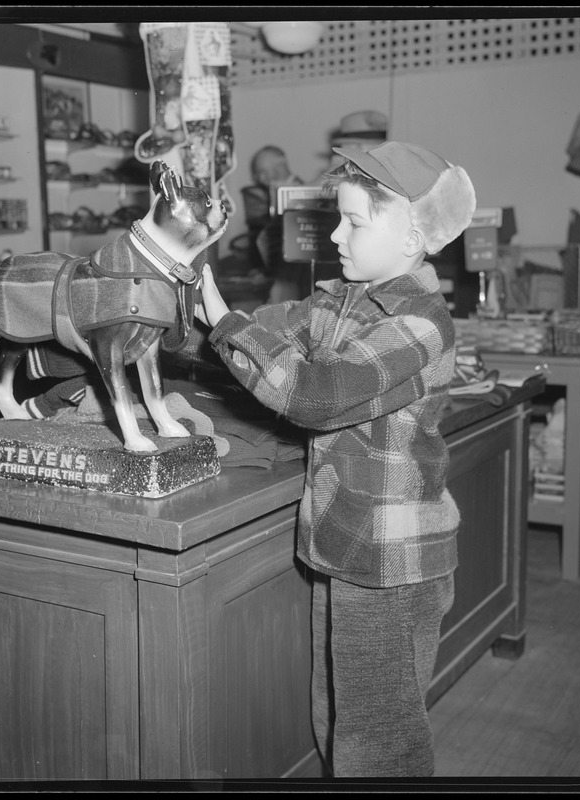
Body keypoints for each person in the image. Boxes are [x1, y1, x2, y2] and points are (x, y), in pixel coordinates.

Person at [196, 141, 477, 777]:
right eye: (337, 218)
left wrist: (224, 325)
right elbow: (272, 328)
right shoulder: (340, 301)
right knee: (339, 716)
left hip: (392, 560)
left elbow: (315, 397)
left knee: (381, 740)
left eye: (354, 221)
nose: (336, 234)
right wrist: (189, 309)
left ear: (411, 234)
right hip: (347, 545)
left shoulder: (421, 323)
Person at [240, 145, 304, 303]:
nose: (261, 178)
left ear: (280, 164)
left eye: (263, 170)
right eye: (258, 173)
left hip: (294, 280)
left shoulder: (302, 195)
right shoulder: (268, 198)